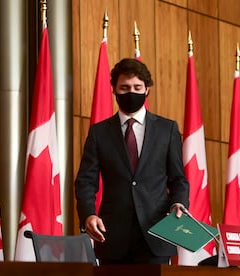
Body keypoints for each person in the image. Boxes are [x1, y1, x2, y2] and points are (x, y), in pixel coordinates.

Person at [75, 58, 189, 265]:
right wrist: (88, 215)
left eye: (137, 87)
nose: (131, 93)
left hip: (157, 235)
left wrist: (178, 204)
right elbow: (85, 181)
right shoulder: (99, 133)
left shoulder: (167, 129)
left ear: (147, 90)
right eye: (124, 88)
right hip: (111, 237)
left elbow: (178, 179)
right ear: (114, 90)